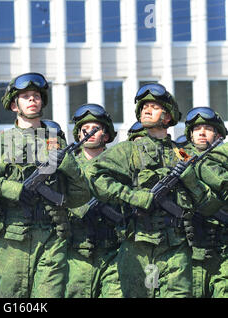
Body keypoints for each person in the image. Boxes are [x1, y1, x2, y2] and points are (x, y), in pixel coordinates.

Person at [0, 73, 90, 297]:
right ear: (14, 105)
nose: (32, 100)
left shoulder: (56, 143)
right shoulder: (2, 141)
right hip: (12, 239)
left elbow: (80, 196)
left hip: (52, 237)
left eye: (37, 96)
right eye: (26, 96)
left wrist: (68, 166)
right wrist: (12, 190)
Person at [86, 83, 215, 297]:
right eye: (144, 107)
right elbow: (94, 176)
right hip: (138, 245)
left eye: (154, 107)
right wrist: (134, 196)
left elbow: (208, 202)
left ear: (167, 116)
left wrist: (191, 180)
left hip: (176, 246)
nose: (146, 110)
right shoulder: (128, 150)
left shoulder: (182, 153)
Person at [65, 104, 123, 298]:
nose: (89, 133)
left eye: (95, 129)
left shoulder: (118, 164)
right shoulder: (69, 166)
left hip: (112, 250)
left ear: (105, 136)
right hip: (76, 251)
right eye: (85, 129)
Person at [182, 107, 228, 298]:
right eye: (197, 129)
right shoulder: (176, 160)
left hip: (223, 252)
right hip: (187, 254)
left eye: (207, 129)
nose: (201, 133)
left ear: (218, 135)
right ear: (190, 136)